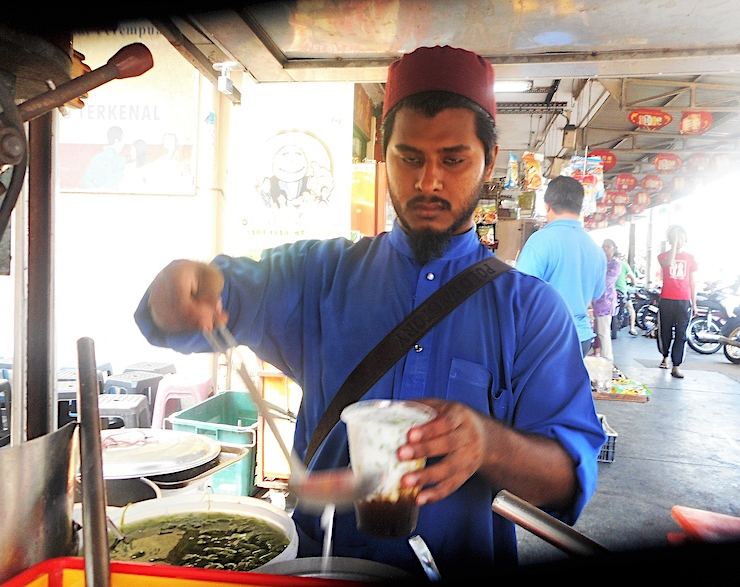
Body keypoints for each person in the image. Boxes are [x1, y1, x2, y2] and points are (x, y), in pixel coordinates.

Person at [134, 46, 606, 579]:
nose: (429, 181)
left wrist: (488, 443)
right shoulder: (317, 275)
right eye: (410, 158)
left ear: (489, 161)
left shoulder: (530, 311)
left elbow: (566, 481)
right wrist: (179, 291)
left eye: (453, 159)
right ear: (385, 155)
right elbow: (205, 303)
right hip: (323, 569)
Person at [516, 175, 607, 357]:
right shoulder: (596, 249)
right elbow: (597, 296)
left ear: (547, 205)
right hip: (581, 338)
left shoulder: (540, 241)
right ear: (580, 207)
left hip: (546, 338)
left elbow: (519, 293)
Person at [657, 224, 698, 379]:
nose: (678, 240)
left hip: (683, 301)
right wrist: (674, 243)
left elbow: (692, 282)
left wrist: (694, 304)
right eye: (675, 236)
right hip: (667, 299)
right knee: (665, 332)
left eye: (681, 237)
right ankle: (665, 356)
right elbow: (667, 264)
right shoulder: (663, 256)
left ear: (685, 238)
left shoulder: (691, 259)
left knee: (681, 334)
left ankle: (676, 366)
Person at [591, 239, 620, 361]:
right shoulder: (599, 263)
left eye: (608, 247)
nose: (605, 249)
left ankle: (607, 358)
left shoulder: (615, 264)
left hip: (605, 302)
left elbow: (606, 281)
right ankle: (597, 353)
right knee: (596, 330)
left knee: (603, 331)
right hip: (596, 301)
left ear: (614, 249)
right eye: (604, 246)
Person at [613, 250, 638, 337]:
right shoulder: (624, 264)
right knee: (631, 308)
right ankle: (632, 328)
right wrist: (634, 284)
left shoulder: (607, 263)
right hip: (622, 291)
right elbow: (633, 278)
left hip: (609, 291)